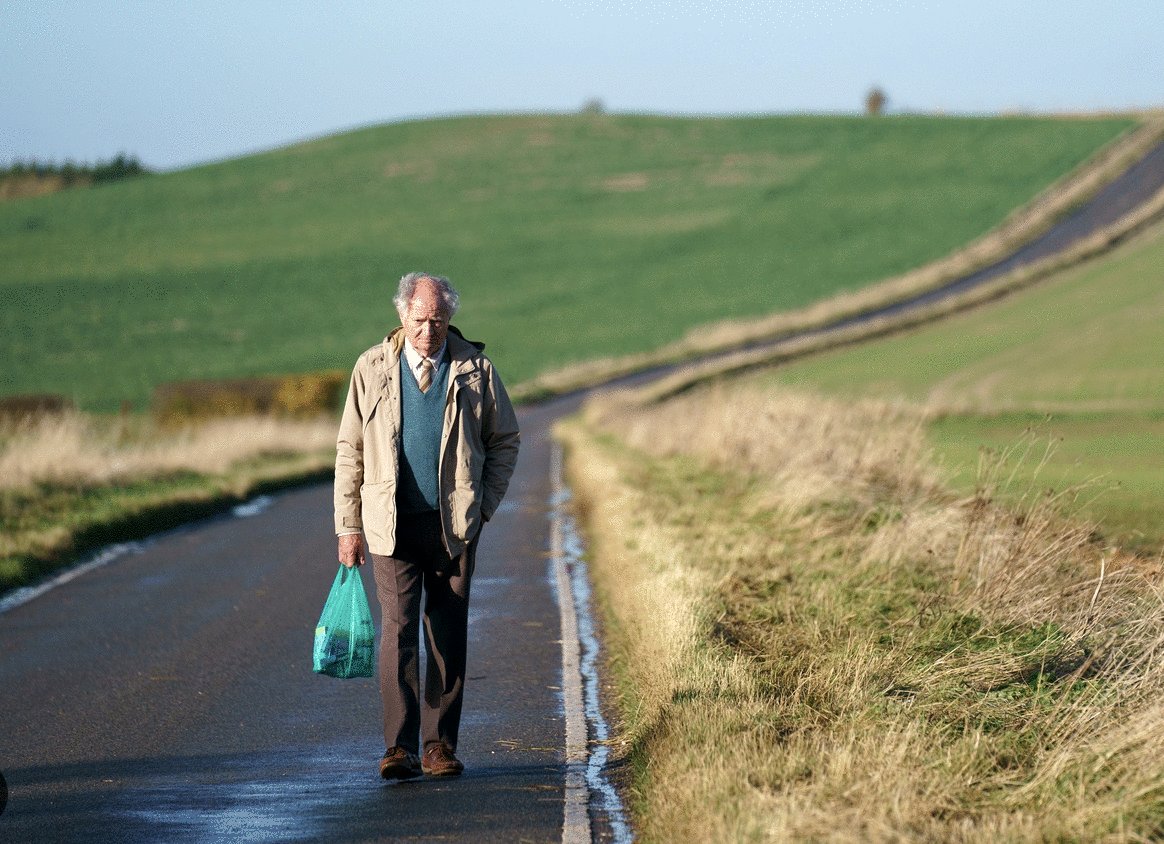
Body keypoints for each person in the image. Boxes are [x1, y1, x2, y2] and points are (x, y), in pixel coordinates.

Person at [333, 272, 520, 780]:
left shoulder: (476, 370)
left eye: (438, 320)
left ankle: (439, 747)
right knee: (397, 633)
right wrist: (347, 527)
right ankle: (399, 748)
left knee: (446, 633)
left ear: (449, 318)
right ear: (402, 316)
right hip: (390, 525)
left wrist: (482, 508)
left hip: (453, 527)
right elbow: (350, 450)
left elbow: (505, 441)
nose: (428, 331)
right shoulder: (371, 367)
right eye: (419, 319)